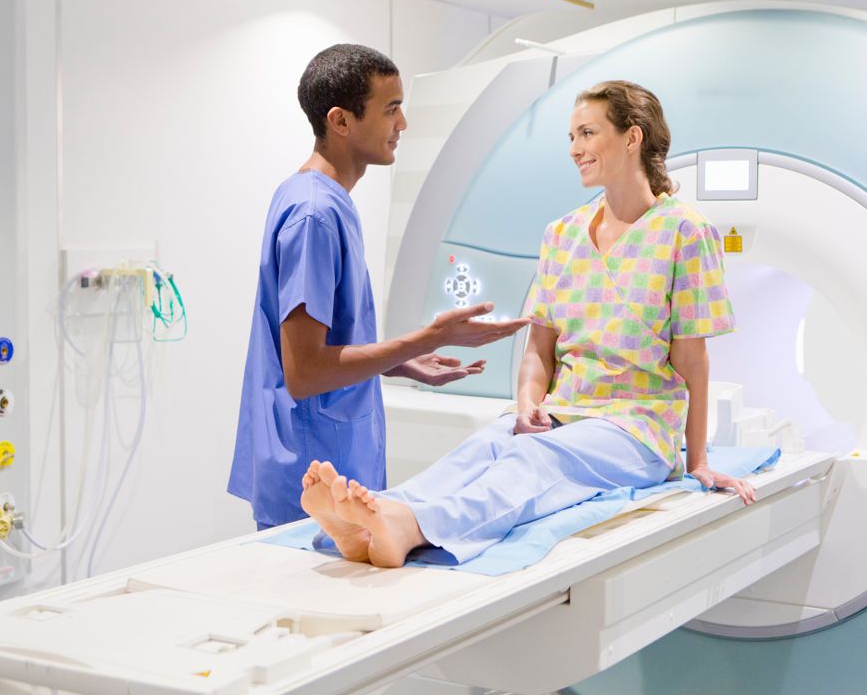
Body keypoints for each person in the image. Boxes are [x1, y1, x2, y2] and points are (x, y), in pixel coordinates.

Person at [300, 79, 754, 568]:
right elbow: (540, 350)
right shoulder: (562, 235)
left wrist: (698, 460)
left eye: (587, 134)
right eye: (571, 138)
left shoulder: (685, 232)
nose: (575, 149)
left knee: (531, 458)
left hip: (636, 426)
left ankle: (411, 528)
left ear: (632, 137)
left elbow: (693, 361)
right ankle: (381, 514)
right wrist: (526, 406)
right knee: (486, 445)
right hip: (564, 411)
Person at [229, 44, 529, 529]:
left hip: (325, 463)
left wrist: (400, 359)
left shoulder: (320, 199)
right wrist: (430, 337)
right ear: (341, 121)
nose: (403, 124)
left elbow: (324, 345)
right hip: (314, 475)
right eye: (391, 109)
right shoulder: (314, 214)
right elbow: (304, 370)